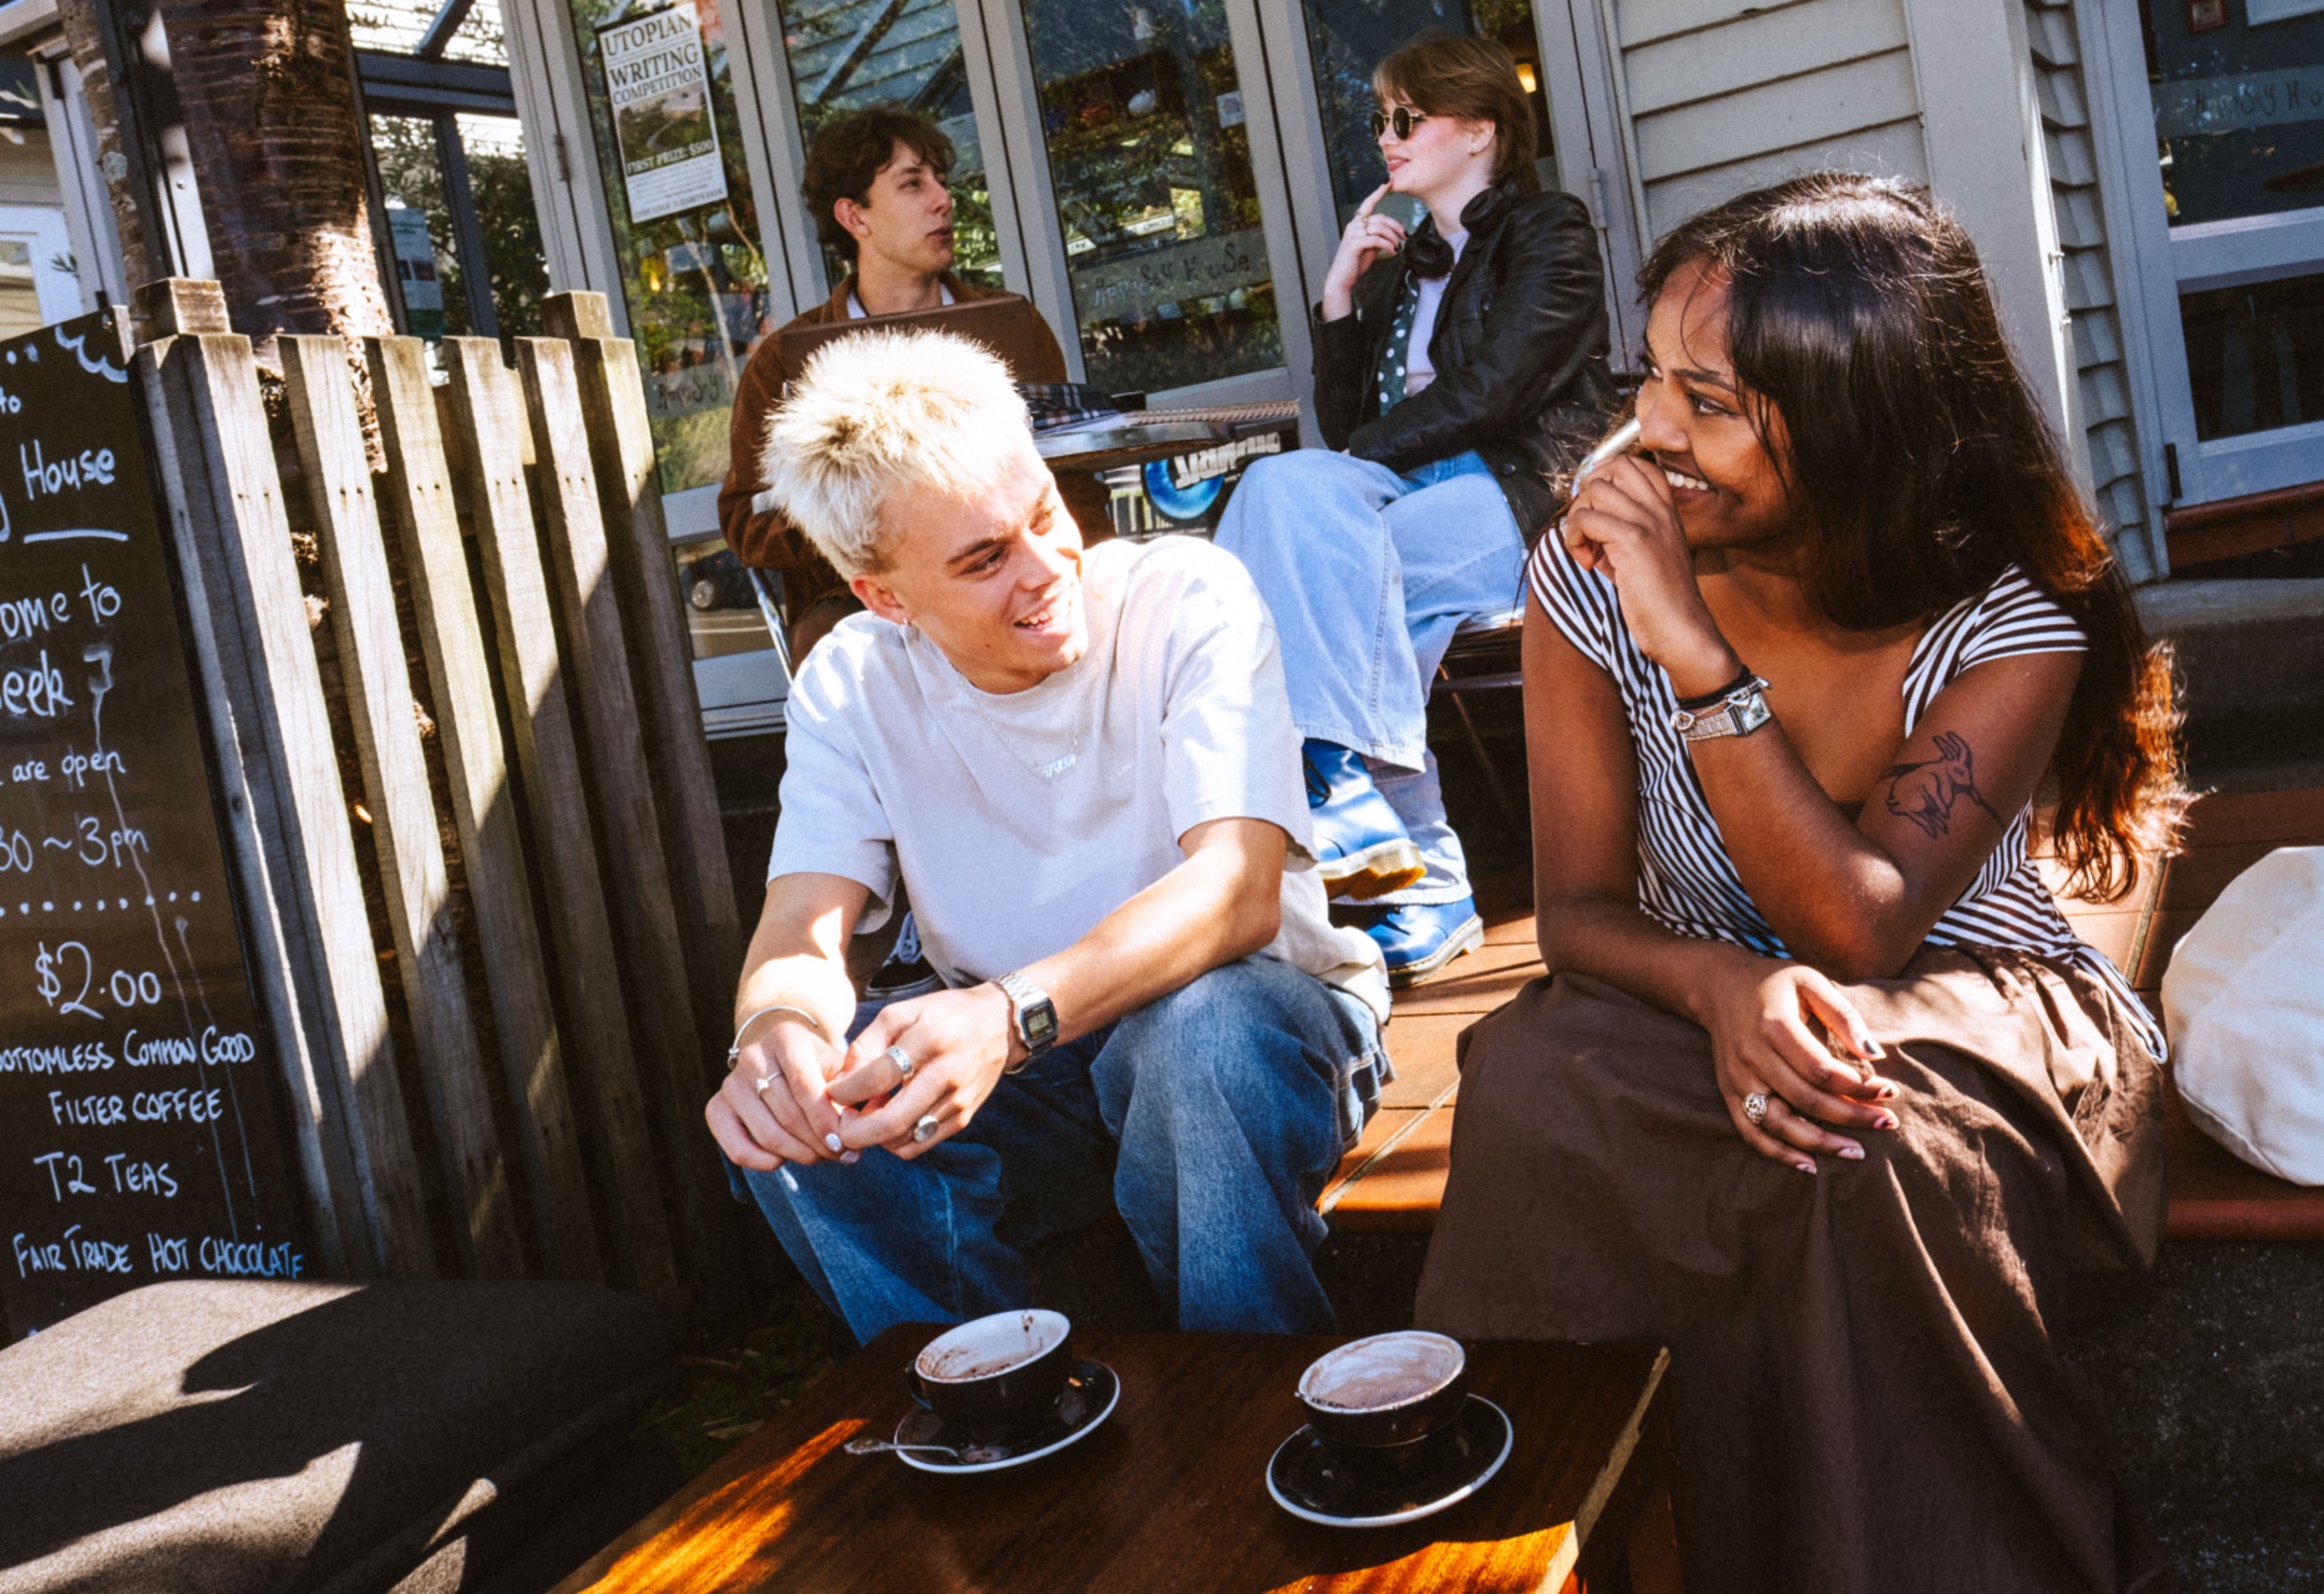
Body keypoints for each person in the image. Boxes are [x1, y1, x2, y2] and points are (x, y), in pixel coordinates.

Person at [1412, 174, 2191, 1592]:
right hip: (1704, 992)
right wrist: (1722, 986)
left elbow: (1861, 924)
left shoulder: (2016, 619)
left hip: (1972, 1001)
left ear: (1853, 422)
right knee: (1527, 1082)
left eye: (1709, 404)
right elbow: (1579, 912)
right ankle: (1571, 1550)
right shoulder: (1587, 577)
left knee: (1854, 1129)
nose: (1653, 431)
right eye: (1653, 379)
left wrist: (1698, 658)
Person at [706, 328, 1392, 1344]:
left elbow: (1237, 892)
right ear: (885, 597)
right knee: (808, 1107)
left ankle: (1250, 1397)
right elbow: (803, 925)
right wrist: (775, 1039)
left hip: (1257, 1035)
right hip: (1032, 1071)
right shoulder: (853, 678)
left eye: (1043, 514)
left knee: (1196, 1035)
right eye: (985, 559)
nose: (1046, 568)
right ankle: (992, 1398)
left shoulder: (1183, 597)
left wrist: (1007, 1014)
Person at [1215, 29, 1615, 985]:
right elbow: (1345, 422)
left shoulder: (1546, 231)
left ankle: (1388, 846)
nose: (1386, 136)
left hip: (1516, 492)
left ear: (1478, 129)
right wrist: (1340, 296)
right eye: (1378, 119)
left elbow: (1497, 390)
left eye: (1407, 116)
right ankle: (1381, 828)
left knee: (1320, 572)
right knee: (1284, 495)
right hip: (1403, 501)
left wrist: (1353, 463)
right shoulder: (1401, 269)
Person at [722, 107, 1108, 669]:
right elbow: (746, 521)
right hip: (874, 599)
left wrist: (1083, 558)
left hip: (1021, 567)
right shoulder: (785, 363)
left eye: (941, 182)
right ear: (855, 216)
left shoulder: (1011, 322)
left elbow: (1075, 468)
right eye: (912, 183)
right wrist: (874, 527)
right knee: (838, 641)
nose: (942, 200)